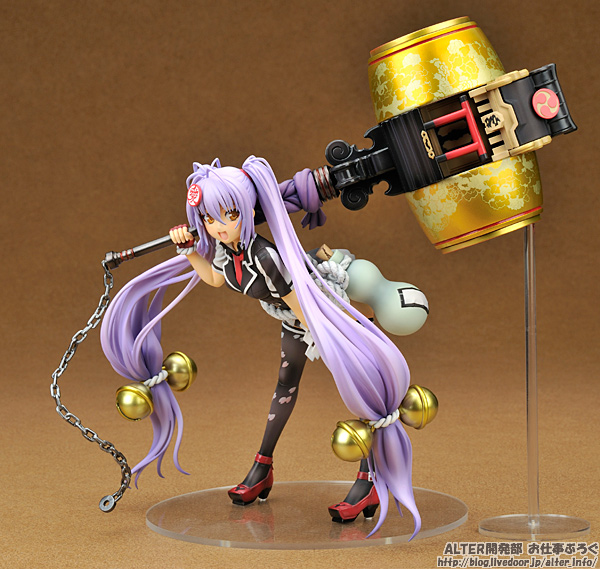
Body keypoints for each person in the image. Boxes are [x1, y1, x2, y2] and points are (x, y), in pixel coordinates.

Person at [100, 155, 421, 537]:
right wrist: (189, 250)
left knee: (360, 390)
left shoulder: (265, 257)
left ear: (246, 212)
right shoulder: (227, 251)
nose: (218, 226)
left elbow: (301, 303)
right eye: (208, 218)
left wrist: (336, 336)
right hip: (293, 319)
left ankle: (368, 481)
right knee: (285, 386)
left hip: (321, 313)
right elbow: (215, 280)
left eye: (229, 215)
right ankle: (262, 466)